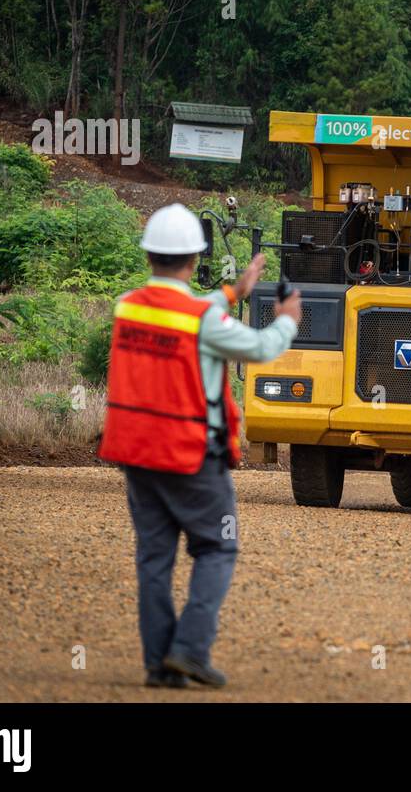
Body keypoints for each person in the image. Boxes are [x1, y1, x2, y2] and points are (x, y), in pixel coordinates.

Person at [98, 203, 301, 689]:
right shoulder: (202, 321)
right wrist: (288, 319)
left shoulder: (127, 306)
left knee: (154, 557)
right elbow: (261, 348)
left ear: (149, 254)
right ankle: (189, 650)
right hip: (191, 457)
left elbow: (187, 310)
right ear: (195, 258)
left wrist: (235, 290)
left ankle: (158, 663)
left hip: (137, 455)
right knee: (217, 547)